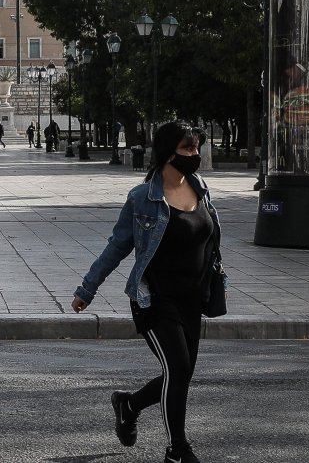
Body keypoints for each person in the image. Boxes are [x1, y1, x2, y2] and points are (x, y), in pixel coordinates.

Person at [72, 121, 225, 463]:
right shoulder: (143, 198)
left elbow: (209, 241)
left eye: (197, 147)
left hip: (192, 300)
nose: (195, 155)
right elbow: (117, 246)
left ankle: (129, 404)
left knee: (180, 374)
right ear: (169, 152)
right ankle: (177, 451)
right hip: (154, 299)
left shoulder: (200, 187)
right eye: (188, 148)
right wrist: (87, 289)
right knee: (179, 368)